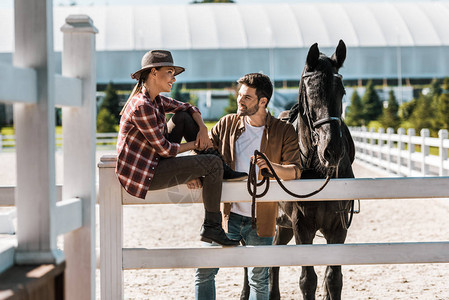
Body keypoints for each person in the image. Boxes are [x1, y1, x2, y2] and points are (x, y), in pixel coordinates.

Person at [116, 50, 245, 246]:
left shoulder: (156, 99)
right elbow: (165, 150)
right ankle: (212, 228)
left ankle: (219, 167)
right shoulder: (142, 106)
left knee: (183, 117)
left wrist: (202, 129)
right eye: (169, 72)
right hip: (144, 174)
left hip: (155, 162)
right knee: (213, 164)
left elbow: (188, 107)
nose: (174, 79)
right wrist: (196, 145)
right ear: (153, 73)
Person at [192, 73, 302, 300]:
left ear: (263, 102)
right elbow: (203, 151)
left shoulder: (284, 131)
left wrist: (273, 168)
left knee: (259, 280)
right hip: (226, 214)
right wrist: (193, 173)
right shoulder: (227, 123)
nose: (240, 101)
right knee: (204, 269)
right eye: (240, 95)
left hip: (261, 219)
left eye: (247, 97)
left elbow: (295, 171)